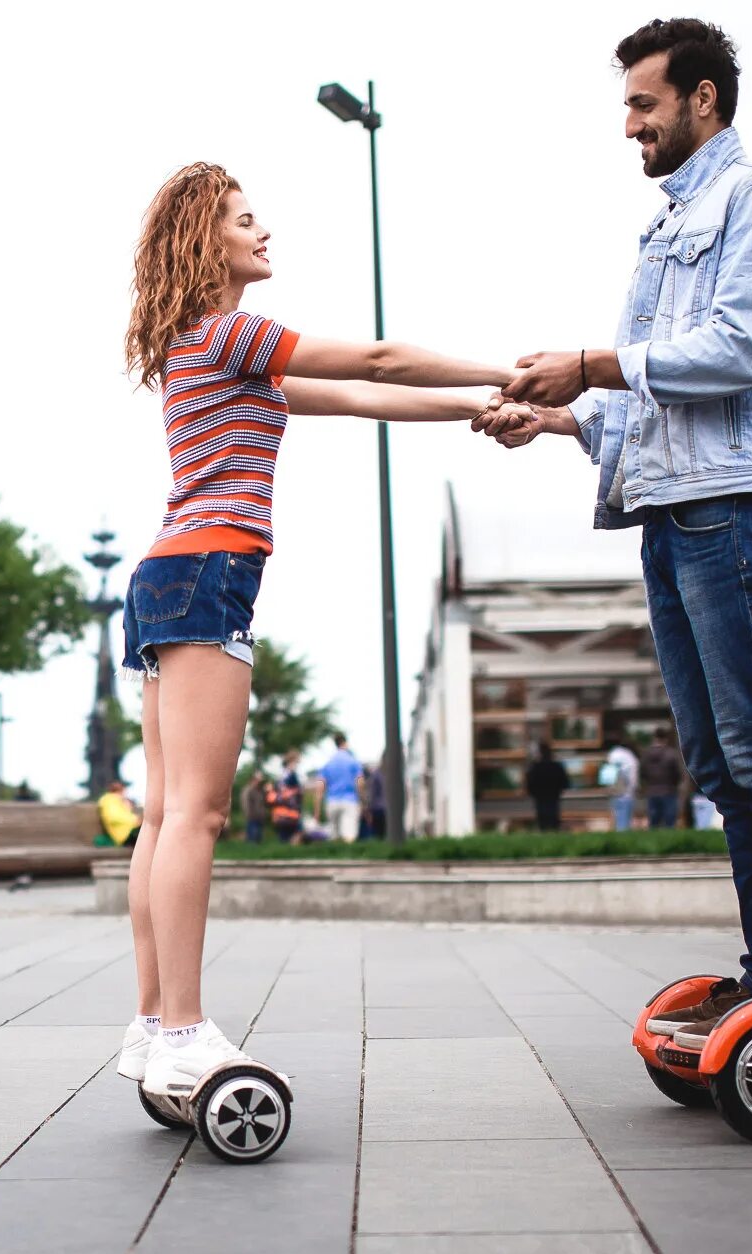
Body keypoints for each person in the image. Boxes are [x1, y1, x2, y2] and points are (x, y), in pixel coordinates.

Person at [114, 160, 530, 1095]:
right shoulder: (231, 332)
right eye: (247, 219)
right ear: (205, 238)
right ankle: (182, 1029)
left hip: (167, 577)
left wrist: (477, 409)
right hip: (208, 570)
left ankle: (150, 1025)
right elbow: (378, 359)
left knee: (163, 815)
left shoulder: (211, 349)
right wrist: (511, 368)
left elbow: (362, 396)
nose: (266, 233)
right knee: (198, 816)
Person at [483, 18, 752, 1043]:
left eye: (644, 104)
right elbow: (658, 389)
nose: (630, 125)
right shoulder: (667, 226)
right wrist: (559, 415)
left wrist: (592, 366)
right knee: (724, 765)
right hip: (675, 504)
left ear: (703, 100)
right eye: (628, 106)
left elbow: (735, 351)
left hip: (740, 504)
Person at [315, 733, 364, 843]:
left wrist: (317, 809)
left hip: (332, 801)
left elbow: (320, 786)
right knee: (349, 836)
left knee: (334, 836)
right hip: (350, 801)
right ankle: (349, 857)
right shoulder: (353, 761)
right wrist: (363, 801)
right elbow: (360, 783)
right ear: (345, 743)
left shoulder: (327, 763)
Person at [641, 727, 683, 828]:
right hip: (669, 790)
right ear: (666, 738)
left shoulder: (646, 754)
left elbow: (642, 773)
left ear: (654, 738)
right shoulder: (671, 754)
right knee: (670, 823)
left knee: (654, 822)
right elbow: (677, 774)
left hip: (652, 790)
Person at [524, 741, 570, 832]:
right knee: (552, 820)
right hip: (552, 797)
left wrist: (533, 792)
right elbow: (565, 783)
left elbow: (529, 784)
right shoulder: (556, 766)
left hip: (541, 798)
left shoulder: (535, 768)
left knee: (543, 821)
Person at [269, 751, 306, 845]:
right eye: (296, 762)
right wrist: (298, 791)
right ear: (291, 761)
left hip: (283, 810)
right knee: (296, 832)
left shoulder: (282, 774)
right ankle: (291, 852)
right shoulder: (289, 775)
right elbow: (288, 792)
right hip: (290, 810)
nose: (297, 765)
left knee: (285, 835)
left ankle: (285, 852)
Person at [604, 740, 640, 832]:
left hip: (615, 791)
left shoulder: (612, 754)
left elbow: (607, 775)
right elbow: (633, 777)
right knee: (625, 821)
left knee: (616, 817)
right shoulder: (630, 757)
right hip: (627, 793)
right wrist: (634, 788)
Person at [98, 779, 143, 848]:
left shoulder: (120, 801)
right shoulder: (108, 800)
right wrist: (136, 820)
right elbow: (112, 817)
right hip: (125, 835)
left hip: (129, 831)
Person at [239, 771, 268, 844]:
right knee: (252, 839)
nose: (260, 782)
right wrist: (248, 814)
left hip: (260, 817)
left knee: (259, 839)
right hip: (252, 817)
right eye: (258, 780)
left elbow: (263, 803)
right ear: (253, 779)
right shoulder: (247, 790)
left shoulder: (260, 790)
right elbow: (245, 804)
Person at [365, 757, 388, 841]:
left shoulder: (376, 774)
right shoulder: (394, 774)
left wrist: (368, 810)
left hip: (378, 809)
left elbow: (371, 794)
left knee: (378, 837)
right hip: (382, 810)